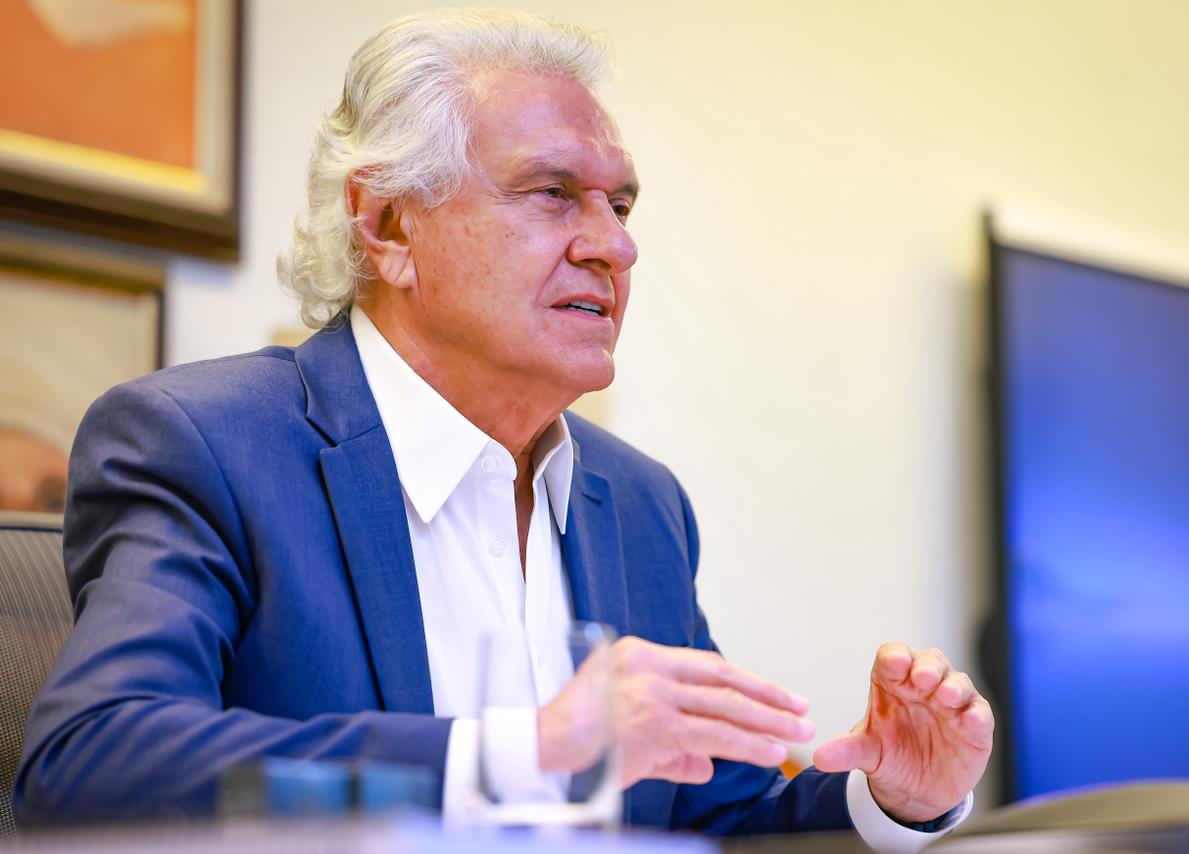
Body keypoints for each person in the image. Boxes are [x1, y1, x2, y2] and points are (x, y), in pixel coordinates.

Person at [15, 10, 992, 849]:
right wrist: (524, 754)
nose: (614, 245)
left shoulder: (640, 503)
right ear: (388, 226)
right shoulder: (206, 446)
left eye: (620, 204)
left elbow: (711, 815)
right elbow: (90, 766)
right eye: (553, 193)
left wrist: (890, 798)